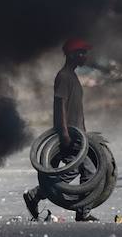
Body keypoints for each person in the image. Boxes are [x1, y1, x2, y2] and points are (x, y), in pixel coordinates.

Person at [23, 37, 99, 222]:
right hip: (70, 134)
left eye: (85, 53)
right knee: (85, 170)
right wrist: (63, 132)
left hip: (78, 134)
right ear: (72, 55)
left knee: (82, 170)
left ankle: (78, 210)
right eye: (81, 53)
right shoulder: (64, 77)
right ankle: (79, 211)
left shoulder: (72, 76)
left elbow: (75, 109)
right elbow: (59, 106)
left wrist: (84, 133)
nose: (85, 56)